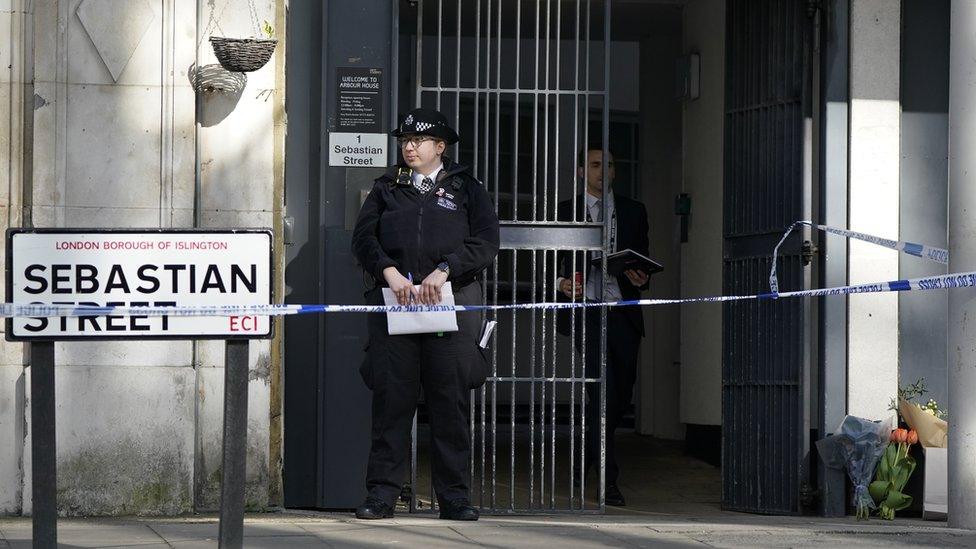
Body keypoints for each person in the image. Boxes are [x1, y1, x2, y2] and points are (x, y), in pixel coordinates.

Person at [351, 108, 500, 521]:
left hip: (449, 307)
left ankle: (454, 498)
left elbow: (486, 241)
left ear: (440, 146)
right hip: (396, 306)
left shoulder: (467, 188)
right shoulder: (386, 187)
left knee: (449, 405)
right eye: (404, 141)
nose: (409, 147)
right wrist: (389, 271)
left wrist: (446, 268)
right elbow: (363, 238)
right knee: (392, 404)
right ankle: (382, 495)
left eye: (418, 141)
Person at [556, 145, 649, 507]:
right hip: (587, 310)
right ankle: (607, 483)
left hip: (623, 310)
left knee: (621, 396)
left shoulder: (633, 210)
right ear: (581, 171)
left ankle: (583, 461)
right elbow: (544, 261)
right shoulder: (564, 210)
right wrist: (560, 284)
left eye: (609, 165)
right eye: (595, 165)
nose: (603, 171)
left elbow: (644, 259)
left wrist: (641, 278)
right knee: (603, 393)